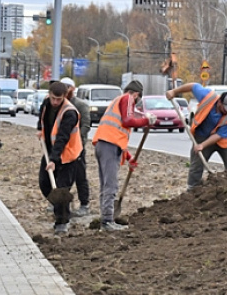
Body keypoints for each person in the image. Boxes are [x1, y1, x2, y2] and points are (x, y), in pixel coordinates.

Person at [91, 79, 154, 232]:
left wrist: (128, 156)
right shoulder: (128, 99)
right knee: (110, 184)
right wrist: (146, 121)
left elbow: (118, 133)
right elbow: (127, 121)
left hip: (104, 144)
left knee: (106, 184)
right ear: (137, 94)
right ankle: (107, 221)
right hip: (108, 145)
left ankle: (105, 219)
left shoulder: (118, 101)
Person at [166, 82, 227, 189]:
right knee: (196, 166)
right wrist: (174, 91)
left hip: (225, 140)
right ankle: (192, 190)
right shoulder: (208, 96)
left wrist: (203, 145)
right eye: (225, 108)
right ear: (219, 102)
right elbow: (193, 86)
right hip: (202, 136)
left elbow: (219, 135)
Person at [37, 81, 83, 235]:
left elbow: (62, 138)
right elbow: (42, 117)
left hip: (69, 154)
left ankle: (62, 221)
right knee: (45, 183)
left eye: (59, 99)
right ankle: (59, 207)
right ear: (49, 95)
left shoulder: (70, 112)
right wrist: (39, 129)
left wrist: (53, 160)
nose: (55, 102)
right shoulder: (46, 103)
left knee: (62, 188)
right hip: (50, 150)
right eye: (53, 98)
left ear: (65, 96)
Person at [59, 78, 92, 217]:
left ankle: (84, 204)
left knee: (79, 175)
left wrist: (77, 141)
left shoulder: (81, 105)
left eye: (68, 87)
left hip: (77, 148)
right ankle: (60, 203)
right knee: (62, 176)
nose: (66, 89)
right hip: (62, 147)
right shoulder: (59, 105)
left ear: (73, 88)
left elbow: (85, 125)